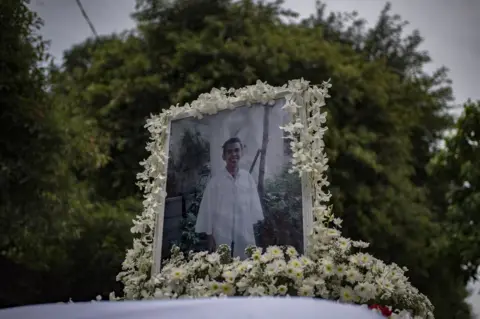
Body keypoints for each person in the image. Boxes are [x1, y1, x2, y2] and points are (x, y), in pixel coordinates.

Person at [195, 137, 264, 259]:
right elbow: (208, 209)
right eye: (229, 151)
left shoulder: (247, 178)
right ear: (223, 156)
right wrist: (210, 236)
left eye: (237, 150)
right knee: (223, 264)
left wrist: (251, 225)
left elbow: (253, 206)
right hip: (221, 230)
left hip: (243, 229)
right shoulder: (215, 182)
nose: (233, 154)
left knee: (245, 263)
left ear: (241, 153)